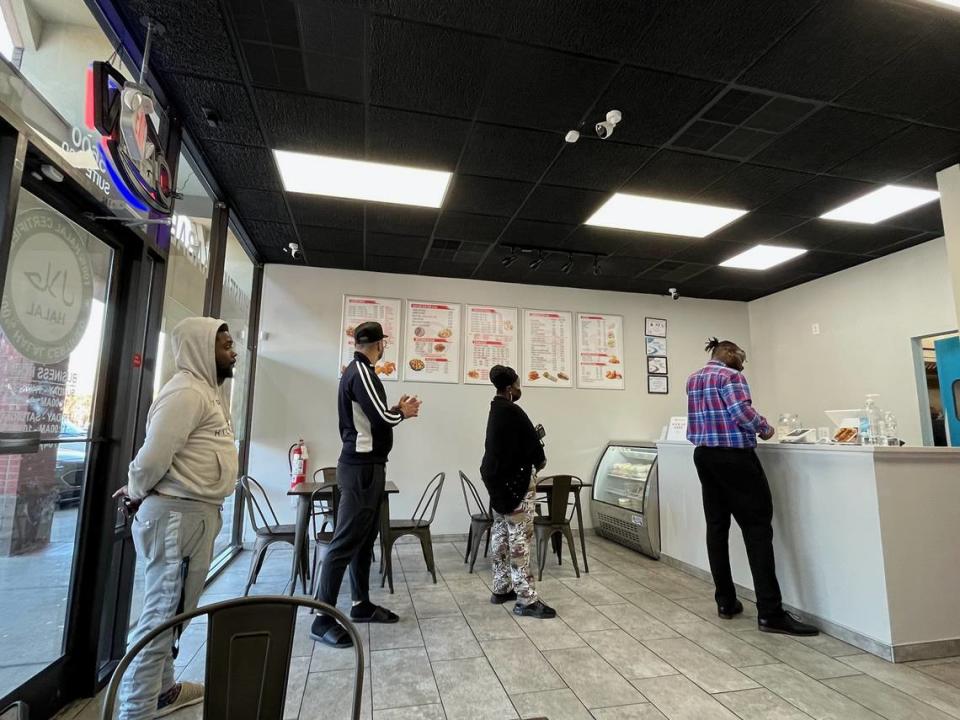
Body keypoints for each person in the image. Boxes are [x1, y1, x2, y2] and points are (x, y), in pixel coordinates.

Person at [115, 318, 239, 720]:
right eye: (224, 345)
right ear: (202, 349)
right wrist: (135, 490)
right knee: (160, 616)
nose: (232, 351)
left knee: (176, 610)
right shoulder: (185, 392)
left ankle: (164, 691)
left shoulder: (208, 392)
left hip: (193, 516)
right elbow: (152, 457)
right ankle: (135, 709)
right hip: (175, 517)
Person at [686, 338, 818, 636]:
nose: (743, 364)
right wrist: (765, 428)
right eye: (741, 357)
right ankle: (770, 613)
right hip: (735, 458)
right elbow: (741, 413)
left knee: (716, 528)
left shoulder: (694, 379)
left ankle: (726, 601)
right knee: (757, 529)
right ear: (729, 353)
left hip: (704, 456)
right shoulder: (732, 376)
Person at [311, 321, 422, 648]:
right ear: (379, 343)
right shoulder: (361, 372)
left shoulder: (357, 372)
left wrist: (393, 411)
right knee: (345, 541)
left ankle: (360, 604)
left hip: (367, 467)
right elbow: (382, 419)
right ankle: (321, 617)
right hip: (361, 469)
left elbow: (371, 416)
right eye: (384, 342)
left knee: (363, 540)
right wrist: (402, 412)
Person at [480, 365, 556, 619]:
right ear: (511, 386)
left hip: (496, 485)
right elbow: (537, 454)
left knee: (500, 534)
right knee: (520, 538)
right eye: (518, 383)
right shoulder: (513, 411)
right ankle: (526, 598)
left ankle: (501, 588)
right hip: (516, 486)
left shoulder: (495, 409)